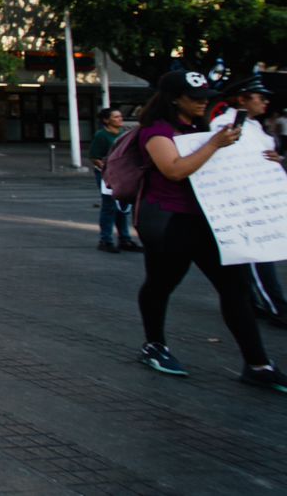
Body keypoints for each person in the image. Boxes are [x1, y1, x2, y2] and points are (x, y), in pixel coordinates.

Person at [132, 70, 287, 393]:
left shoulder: (202, 127)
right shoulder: (157, 131)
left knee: (236, 289)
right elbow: (174, 170)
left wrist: (267, 160)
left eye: (206, 97)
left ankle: (258, 363)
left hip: (209, 220)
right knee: (161, 284)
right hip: (169, 222)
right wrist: (215, 144)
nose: (203, 103)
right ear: (175, 98)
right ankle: (154, 345)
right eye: (196, 98)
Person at [220, 75, 287, 328]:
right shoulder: (225, 125)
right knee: (257, 258)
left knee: (253, 258)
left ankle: (252, 302)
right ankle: (276, 307)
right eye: (261, 97)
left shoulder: (254, 126)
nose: (266, 102)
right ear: (242, 99)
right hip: (242, 204)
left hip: (260, 201)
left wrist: (276, 162)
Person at [89, 107, 141, 253]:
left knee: (122, 207)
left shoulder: (124, 134)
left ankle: (124, 238)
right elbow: (94, 156)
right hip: (107, 174)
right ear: (106, 120)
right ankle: (105, 239)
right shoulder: (102, 135)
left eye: (120, 116)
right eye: (116, 117)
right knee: (109, 206)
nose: (120, 119)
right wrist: (107, 169)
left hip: (122, 173)